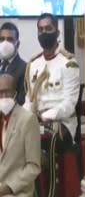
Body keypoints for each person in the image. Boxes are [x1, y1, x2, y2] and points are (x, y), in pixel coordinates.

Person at [23, 13, 80, 150]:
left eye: (48, 29)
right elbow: (30, 100)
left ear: (57, 32)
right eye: (40, 30)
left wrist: (46, 116)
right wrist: (21, 119)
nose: (44, 33)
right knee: (15, 135)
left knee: (48, 137)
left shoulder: (68, 63)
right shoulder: (33, 64)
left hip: (62, 123)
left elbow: (70, 104)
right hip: (39, 122)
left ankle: (50, 172)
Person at [0, 74, 41, 197]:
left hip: (17, 193)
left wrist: (8, 187)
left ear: (15, 93)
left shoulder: (27, 120)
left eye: (7, 92)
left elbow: (33, 167)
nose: (3, 97)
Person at [0, 22, 26, 105]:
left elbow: (22, 100)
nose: (5, 43)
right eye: (2, 39)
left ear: (17, 44)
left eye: (10, 39)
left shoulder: (25, 68)